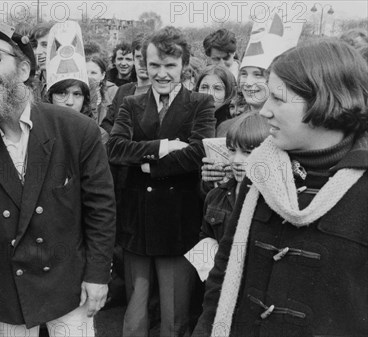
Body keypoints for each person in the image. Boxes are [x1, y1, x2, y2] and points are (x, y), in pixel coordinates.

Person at [0, 24, 116, 337]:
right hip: (6, 292)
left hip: (69, 286)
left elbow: (101, 210)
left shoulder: (76, 130)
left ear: (24, 69)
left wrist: (98, 275)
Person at [193, 38, 368, 337]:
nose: (264, 110)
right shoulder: (260, 169)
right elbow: (224, 270)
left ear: (326, 100)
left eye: (279, 98)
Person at [107, 26, 215, 337]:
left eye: (170, 66)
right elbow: (114, 149)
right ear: (144, 64)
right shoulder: (131, 103)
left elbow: (198, 153)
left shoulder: (200, 104)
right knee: (136, 313)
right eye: (154, 65)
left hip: (178, 223)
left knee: (174, 315)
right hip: (136, 223)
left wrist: (146, 167)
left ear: (184, 64)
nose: (162, 74)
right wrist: (161, 147)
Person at [186, 113, 270, 282]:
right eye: (232, 150)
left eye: (247, 152)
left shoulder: (275, 202)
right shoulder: (216, 196)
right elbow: (207, 238)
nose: (237, 160)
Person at [195, 65, 238, 130]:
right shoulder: (188, 119)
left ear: (229, 93)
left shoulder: (233, 126)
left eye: (217, 88)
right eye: (204, 87)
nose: (209, 93)